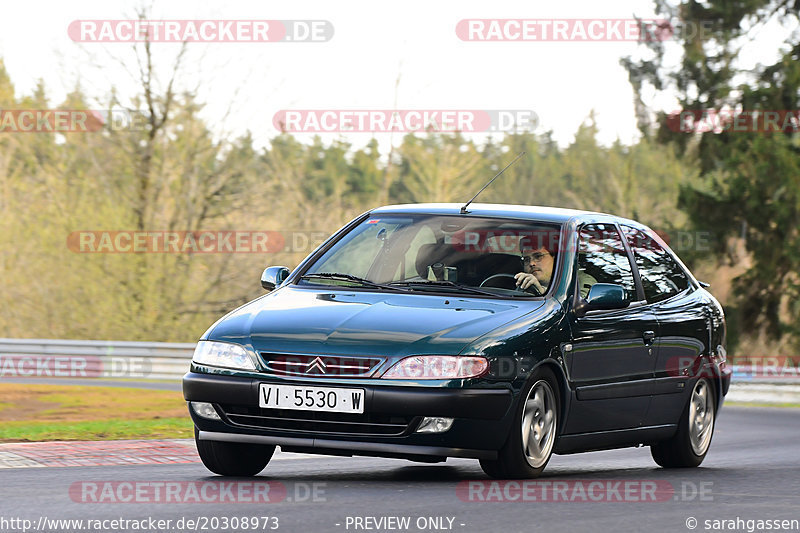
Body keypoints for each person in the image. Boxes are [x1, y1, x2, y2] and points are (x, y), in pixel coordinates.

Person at [514, 242, 597, 297]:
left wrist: (542, 292)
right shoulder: (523, 283)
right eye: (526, 259)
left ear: (556, 259)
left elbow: (575, 310)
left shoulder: (581, 281)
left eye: (538, 256)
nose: (531, 263)